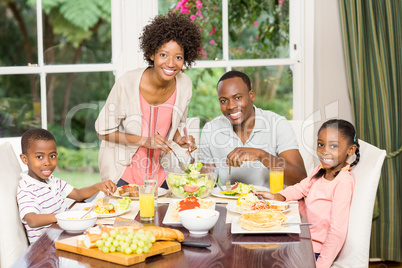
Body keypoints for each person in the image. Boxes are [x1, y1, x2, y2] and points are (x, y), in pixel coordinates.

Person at [95, 11, 202, 188]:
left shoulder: (184, 85)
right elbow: (102, 130)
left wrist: (178, 138)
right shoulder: (127, 83)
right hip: (123, 172)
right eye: (163, 55)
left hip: (160, 173)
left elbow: (175, 122)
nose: (171, 63)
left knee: (168, 215)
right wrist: (145, 140)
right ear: (152, 54)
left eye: (178, 57)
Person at [255, 119, 360, 268]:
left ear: (350, 150)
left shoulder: (343, 182)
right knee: (261, 250)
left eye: (333, 146)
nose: (324, 151)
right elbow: (300, 188)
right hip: (301, 237)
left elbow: (337, 232)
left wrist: (320, 265)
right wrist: (278, 196)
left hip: (314, 250)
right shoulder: (320, 170)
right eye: (321, 144)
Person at [199, 70, 307, 188]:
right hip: (228, 204)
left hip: (270, 203)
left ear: (251, 95)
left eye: (238, 97)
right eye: (224, 101)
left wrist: (261, 155)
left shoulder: (277, 124)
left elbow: (300, 179)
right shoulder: (210, 129)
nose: (231, 106)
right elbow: (208, 184)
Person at [17, 128, 117, 244]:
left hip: (64, 236)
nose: (47, 162)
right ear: (25, 159)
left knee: (110, 232)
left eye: (52, 156)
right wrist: (65, 216)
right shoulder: (26, 188)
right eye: (40, 157)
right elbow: (32, 220)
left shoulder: (53, 181)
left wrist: (99, 186)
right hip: (46, 247)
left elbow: (78, 194)